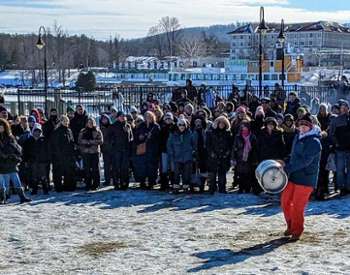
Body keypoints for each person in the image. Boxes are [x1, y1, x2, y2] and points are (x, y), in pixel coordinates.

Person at [281, 113, 322, 241]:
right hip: (293, 176)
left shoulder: (314, 141)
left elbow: (306, 161)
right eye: (301, 125)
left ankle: (297, 230)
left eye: (306, 125)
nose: (303, 127)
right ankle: (291, 225)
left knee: (298, 206)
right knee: (285, 201)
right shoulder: (298, 137)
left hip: (306, 178)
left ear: (311, 126)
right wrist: (285, 162)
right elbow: (294, 156)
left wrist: (289, 167)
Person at [0, 118, 31, 204]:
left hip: (11, 162)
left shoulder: (10, 137)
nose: (0, 128)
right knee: (2, 183)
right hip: (2, 163)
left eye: (1, 126)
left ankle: (22, 196)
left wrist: (16, 156)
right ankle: (2, 198)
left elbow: (18, 148)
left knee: (16, 179)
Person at [132, 111, 160, 189]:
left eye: (149, 116)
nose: (148, 118)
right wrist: (141, 137)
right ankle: (142, 182)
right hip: (143, 149)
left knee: (152, 167)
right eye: (146, 116)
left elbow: (159, 138)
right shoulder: (142, 125)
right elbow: (136, 136)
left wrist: (152, 137)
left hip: (152, 149)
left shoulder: (156, 126)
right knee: (142, 167)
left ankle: (151, 183)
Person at [167, 116, 194, 192]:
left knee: (186, 173)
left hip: (187, 157)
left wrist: (192, 152)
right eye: (180, 125)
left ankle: (186, 186)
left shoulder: (189, 133)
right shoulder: (173, 134)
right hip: (177, 157)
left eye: (183, 125)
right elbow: (169, 145)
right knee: (176, 173)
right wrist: (172, 154)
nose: (181, 126)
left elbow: (193, 144)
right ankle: (176, 187)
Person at [206, 116, 233, 194]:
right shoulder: (210, 132)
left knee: (222, 174)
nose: (221, 125)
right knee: (212, 173)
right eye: (220, 123)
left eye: (223, 123)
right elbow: (208, 144)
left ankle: (222, 188)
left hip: (223, 156)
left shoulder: (228, 133)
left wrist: (226, 153)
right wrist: (212, 153)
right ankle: (212, 188)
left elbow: (230, 145)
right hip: (213, 156)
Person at [51, 115, 77, 192]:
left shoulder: (69, 130)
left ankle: (68, 186)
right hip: (60, 155)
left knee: (68, 172)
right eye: (64, 121)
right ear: (60, 121)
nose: (66, 122)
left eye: (67, 121)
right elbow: (56, 144)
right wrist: (59, 154)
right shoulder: (57, 131)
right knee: (58, 172)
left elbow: (72, 141)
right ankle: (58, 187)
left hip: (68, 155)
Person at [22, 123, 50, 195]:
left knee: (43, 176)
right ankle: (34, 190)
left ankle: (45, 189)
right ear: (33, 131)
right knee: (34, 176)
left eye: (39, 131)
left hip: (42, 161)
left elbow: (48, 151)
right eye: (35, 131)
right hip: (32, 161)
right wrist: (25, 160)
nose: (37, 133)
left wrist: (48, 160)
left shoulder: (44, 140)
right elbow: (25, 152)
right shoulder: (29, 141)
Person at [109, 111, 133, 190]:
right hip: (117, 150)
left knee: (125, 168)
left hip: (125, 149)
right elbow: (109, 137)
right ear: (118, 117)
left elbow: (131, 138)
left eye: (124, 116)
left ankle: (125, 183)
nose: (123, 117)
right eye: (121, 116)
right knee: (116, 167)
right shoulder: (113, 126)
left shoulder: (128, 125)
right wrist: (113, 143)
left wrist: (127, 132)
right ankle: (117, 183)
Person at [232, 122, 258, 193]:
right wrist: (233, 158)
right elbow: (234, 148)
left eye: (246, 128)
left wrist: (255, 159)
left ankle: (247, 188)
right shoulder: (238, 137)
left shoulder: (252, 137)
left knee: (248, 174)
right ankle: (240, 188)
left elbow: (255, 149)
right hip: (240, 158)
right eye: (243, 128)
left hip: (250, 158)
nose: (244, 130)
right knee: (240, 174)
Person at [78, 117, 103, 191]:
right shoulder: (83, 131)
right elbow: (80, 140)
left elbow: (101, 141)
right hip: (86, 152)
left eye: (92, 122)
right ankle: (88, 184)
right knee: (87, 169)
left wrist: (91, 142)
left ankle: (96, 184)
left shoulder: (97, 130)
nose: (90, 124)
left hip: (95, 152)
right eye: (89, 122)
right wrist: (87, 142)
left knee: (95, 169)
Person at [332, 100, 350, 196]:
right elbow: (332, 133)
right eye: (342, 108)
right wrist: (337, 143)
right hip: (340, 149)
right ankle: (342, 188)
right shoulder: (336, 120)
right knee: (340, 170)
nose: (343, 109)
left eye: (345, 107)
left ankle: (348, 187)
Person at [99, 114, 113, 186]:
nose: (104, 120)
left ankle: (114, 179)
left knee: (114, 165)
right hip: (105, 149)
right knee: (106, 166)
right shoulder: (100, 129)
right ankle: (107, 180)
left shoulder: (112, 127)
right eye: (103, 119)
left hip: (113, 149)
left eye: (106, 119)